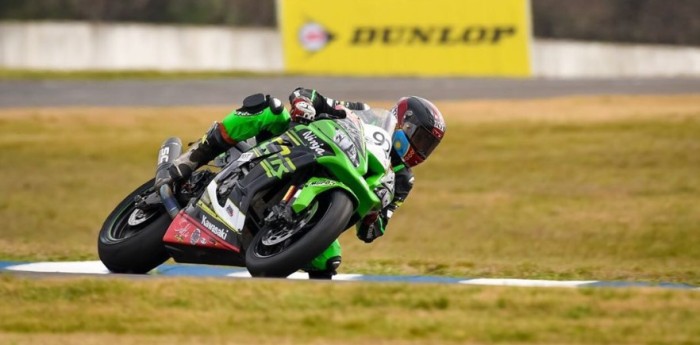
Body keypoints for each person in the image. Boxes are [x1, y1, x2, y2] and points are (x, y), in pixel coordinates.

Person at [156, 88, 446, 279]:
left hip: (324, 200)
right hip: (299, 145)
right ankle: (189, 160)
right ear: (403, 122)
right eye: (419, 138)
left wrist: (373, 217)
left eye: (428, 146)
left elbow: (372, 230)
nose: (420, 150)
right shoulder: (364, 113)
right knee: (270, 108)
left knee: (328, 262)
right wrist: (305, 103)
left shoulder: (403, 181)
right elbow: (313, 97)